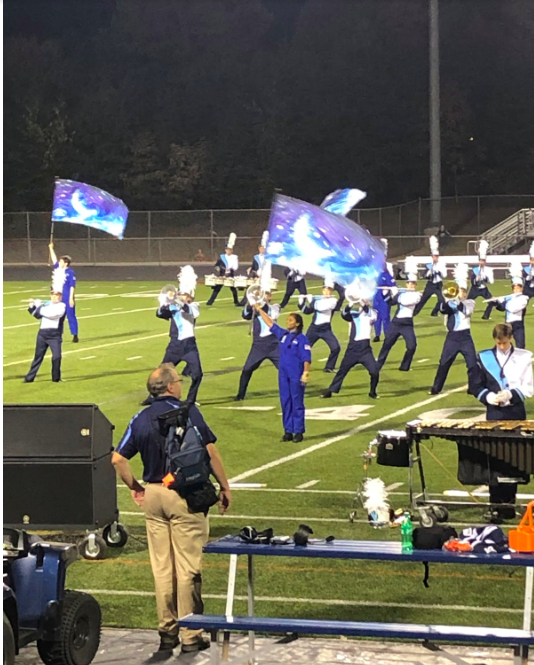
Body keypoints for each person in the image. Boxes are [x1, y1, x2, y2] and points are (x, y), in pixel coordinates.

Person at [112, 364, 232, 653]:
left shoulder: (139, 417)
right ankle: (191, 634)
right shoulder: (189, 411)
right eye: (178, 381)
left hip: (154, 495)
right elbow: (210, 452)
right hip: (184, 495)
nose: (180, 385)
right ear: (169, 387)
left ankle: (167, 631)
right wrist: (224, 487)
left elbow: (117, 459)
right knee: (188, 567)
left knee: (162, 569)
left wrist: (135, 487)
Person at [470, 324, 533, 522]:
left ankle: (508, 504)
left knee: (513, 459)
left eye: (505, 343)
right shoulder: (484, 357)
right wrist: (487, 397)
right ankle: (495, 504)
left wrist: (510, 395)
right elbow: (475, 385)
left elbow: (529, 386)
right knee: (494, 458)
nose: (503, 347)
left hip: (515, 411)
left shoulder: (524, 357)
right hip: (494, 411)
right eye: (499, 343)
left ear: (511, 338)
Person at [144, 268, 203, 405]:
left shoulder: (194, 306)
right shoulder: (174, 307)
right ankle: (152, 397)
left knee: (197, 374)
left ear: (190, 297)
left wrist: (177, 300)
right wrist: (165, 304)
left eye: (185, 295)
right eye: (182, 294)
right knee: (161, 373)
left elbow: (189, 311)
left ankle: (190, 400)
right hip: (175, 346)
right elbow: (159, 313)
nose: (183, 296)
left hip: (189, 346)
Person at [254, 307, 311, 442]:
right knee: (285, 400)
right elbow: (270, 323)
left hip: (296, 373)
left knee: (296, 401)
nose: (287, 322)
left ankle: (298, 431)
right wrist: (259, 310)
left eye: (290, 320)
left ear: (297, 323)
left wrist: (306, 372)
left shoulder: (302, 339)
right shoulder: (284, 335)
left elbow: (306, 357)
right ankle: (288, 430)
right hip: (284, 374)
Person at [429, 264, 477, 395]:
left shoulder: (470, 302)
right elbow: (443, 309)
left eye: (463, 290)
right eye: (459, 290)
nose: (461, 293)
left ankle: (473, 388)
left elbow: (466, 311)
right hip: (453, 337)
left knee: (472, 364)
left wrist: (457, 300)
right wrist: (448, 300)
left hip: (466, 337)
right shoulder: (450, 303)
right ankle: (436, 388)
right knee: (444, 363)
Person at [322, 296, 379, 399]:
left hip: (365, 349)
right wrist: (351, 303)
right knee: (342, 371)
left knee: (374, 371)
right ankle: (331, 390)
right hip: (352, 349)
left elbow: (370, 314)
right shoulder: (354, 314)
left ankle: (372, 392)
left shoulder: (372, 313)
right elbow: (344, 314)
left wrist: (362, 302)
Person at [377, 258, 422, 372]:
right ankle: (378, 365)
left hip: (407, 324)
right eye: (409, 283)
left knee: (412, 346)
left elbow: (406, 301)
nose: (410, 285)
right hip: (396, 323)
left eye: (412, 283)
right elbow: (391, 303)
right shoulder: (401, 293)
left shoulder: (417, 295)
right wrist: (386, 294)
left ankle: (404, 366)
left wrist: (397, 293)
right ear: (406, 284)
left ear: (415, 285)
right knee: (387, 345)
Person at [234, 291, 280, 401]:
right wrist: (250, 305)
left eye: (266, 295)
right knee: (247, 370)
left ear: (270, 297)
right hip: (258, 346)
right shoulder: (255, 309)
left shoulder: (274, 307)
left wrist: (258, 304)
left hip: (274, 344)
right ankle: (240, 395)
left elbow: (272, 315)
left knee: (285, 368)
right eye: (262, 295)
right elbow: (245, 316)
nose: (264, 297)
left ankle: (296, 389)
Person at [24, 289, 66, 383]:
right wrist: (32, 306)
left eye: (57, 295)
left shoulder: (62, 306)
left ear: (60, 296)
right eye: (53, 295)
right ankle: (29, 378)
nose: (55, 297)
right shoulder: (47, 304)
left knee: (57, 356)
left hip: (55, 335)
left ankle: (56, 378)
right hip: (42, 333)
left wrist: (39, 306)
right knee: (38, 357)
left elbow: (52, 315)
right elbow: (37, 315)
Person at [298, 279, 340, 373]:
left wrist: (312, 301)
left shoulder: (333, 300)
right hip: (314, 328)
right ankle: (298, 365)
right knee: (304, 347)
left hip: (326, 329)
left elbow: (320, 308)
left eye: (329, 290)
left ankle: (329, 367)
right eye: (325, 290)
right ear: (322, 290)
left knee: (336, 347)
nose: (326, 292)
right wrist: (301, 304)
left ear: (331, 291)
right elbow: (308, 311)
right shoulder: (318, 299)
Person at [493, 265, 529, 349]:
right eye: (514, 288)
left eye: (518, 288)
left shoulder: (524, 298)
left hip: (517, 324)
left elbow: (513, 309)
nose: (516, 290)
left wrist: (503, 301)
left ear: (521, 289)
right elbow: (501, 309)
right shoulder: (510, 297)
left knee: (520, 345)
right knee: (503, 342)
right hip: (508, 323)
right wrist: (496, 302)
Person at [49, 242, 78, 342]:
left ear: (66, 263)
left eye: (61, 261)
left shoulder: (70, 272)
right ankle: (58, 335)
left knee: (71, 315)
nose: (59, 262)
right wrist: (51, 249)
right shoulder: (58, 269)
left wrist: (71, 298)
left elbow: (72, 286)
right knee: (59, 317)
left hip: (67, 296)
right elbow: (53, 260)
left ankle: (74, 334)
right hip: (59, 297)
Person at [414, 236, 447, 317]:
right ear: (432, 256)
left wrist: (438, 271)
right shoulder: (429, 264)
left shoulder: (441, 265)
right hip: (430, 284)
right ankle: (414, 312)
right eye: (434, 256)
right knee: (423, 299)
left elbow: (445, 275)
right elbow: (425, 275)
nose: (435, 258)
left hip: (438, 284)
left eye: (436, 256)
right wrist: (430, 270)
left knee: (442, 300)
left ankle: (435, 311)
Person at [206, 232, 241, 306]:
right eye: (227, 250)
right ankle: (210, 302)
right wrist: (218, 269)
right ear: (225, 250)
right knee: (217, 289)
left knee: (233, 289)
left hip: (230, 275)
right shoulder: (222, 257)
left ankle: (236, 302)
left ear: (232, 250)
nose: (228, 251)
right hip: (221, 275)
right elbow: (216, 265)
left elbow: (235, 267)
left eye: (230, 250)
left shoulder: (235, 257)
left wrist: (229, 272)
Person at [373, 239, 396, 342]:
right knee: (376, 316)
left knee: (385, 316)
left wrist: (393, 293)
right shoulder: (375, 273)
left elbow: (393, 285)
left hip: (384, 297)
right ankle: (377, 334)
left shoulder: (387, 274)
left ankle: (387, 334)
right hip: (376, 296)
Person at [468, 242, 495, 319]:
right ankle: (466, 315)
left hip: (484, 289)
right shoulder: (475, 269)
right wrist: (476, 279)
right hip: (474, 289)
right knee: (467, 302)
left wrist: (485, 278)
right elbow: (472, 281)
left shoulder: (488, 270)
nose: (481, 262)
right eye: (480, 260)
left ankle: (486, 316)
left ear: (485, 262)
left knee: (492, 302)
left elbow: (492, 281)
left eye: (483, 261)